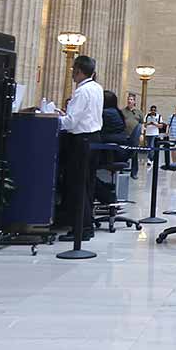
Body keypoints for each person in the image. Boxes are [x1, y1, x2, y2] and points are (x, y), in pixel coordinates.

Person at [57, 55, 103, 239]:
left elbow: (71, 121)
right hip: (95, 138)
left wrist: (56, 119)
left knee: (77, 185)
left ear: (79, 71)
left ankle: (80, 229)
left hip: (81, 141)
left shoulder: (82, 91)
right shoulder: (97, 88)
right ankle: (86, 225)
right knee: (88, 185)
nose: (72, 75)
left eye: (73, 70)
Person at [122, 93, 143, 179]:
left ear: (134, 101)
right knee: (123, 152)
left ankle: (134, 172)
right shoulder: (122, 111)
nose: (129, 101)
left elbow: (141, 124)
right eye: (128, 99)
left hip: (135, 136)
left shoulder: (139, 112)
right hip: (125, 135)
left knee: (134, 154)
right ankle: (122, 168)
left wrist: (141, 134)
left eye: (131, 100)